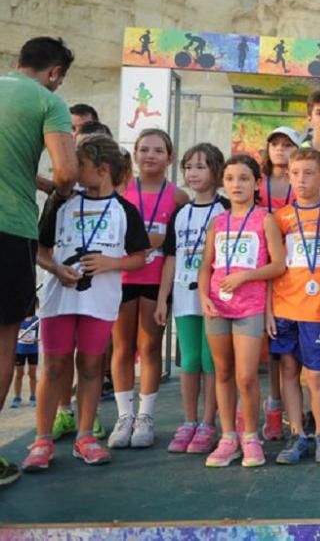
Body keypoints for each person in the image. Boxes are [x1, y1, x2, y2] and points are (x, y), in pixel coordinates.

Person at [22, 135, 149, 472]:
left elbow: (139, 257)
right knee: (55, 365)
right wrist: (55, 268)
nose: (69, 171)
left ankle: (85, 436)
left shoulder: (125, 210)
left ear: (102, 169)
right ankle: (42, 439)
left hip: (100, 302)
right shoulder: (60, 203)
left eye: (78, 165)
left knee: (92, 367)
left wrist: (112, 263)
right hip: (59, 299)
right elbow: (40, 249)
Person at [0, 37, 78, 487]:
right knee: (4, 339)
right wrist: (60, 188)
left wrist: (41, 183)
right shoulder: (48, 101)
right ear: (53, 73)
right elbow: (68, 172)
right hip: (9, 229)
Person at [199, 156, 286, 468]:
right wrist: (202, 297)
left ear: (256, 183)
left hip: (249, 307)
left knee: (246, 375)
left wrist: (246, 276)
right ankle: (228, 437)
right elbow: (205, 266)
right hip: (217, 306)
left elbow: (278, 264)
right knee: (222, 373)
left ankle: (250, 435)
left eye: (244, 178)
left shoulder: (265, 219)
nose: (237, 184)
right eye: (231, 178)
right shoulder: (217, 222)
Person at [110, 129, 188, 450]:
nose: (150, 155)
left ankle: (145, 416)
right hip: (121, 279)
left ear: (170, 157)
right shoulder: (121, 190)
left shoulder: (178, 197)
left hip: (157, 281)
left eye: (158, 150)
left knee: (150, 346)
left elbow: (173, 247)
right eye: (144, 149)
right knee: (122, 348)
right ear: (135, 154)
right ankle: (124, 415)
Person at [155, 143, 229, 454]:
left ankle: (209, 422)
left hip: (216, 296)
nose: (193, 173)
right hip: (185, 294)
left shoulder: (225, 208)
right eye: (188, 167)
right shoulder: (181, 213)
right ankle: (189, 420)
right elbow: (171, 257)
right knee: (189, 359)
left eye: (200, 166)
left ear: (216, 170)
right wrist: (162, 298)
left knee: (212, 360)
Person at [269, 148, 320, 465]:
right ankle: (298, 434)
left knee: (318, 376)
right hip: (285, 307)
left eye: (308, 173)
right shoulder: (279, 218)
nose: (301, 179)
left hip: (319, 309)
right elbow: (272, 267)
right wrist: (269, 309)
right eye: (295, 173)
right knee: (288, 371)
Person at [257, 126, 301, 441]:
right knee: (268, 346)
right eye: (276, 144)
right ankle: (273, 406)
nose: (281, 149)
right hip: (260, 266)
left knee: (289, 349)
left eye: (288, 145)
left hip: (294, 269)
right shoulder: (256, 182)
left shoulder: (300, 184)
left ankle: (299, 414)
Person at [259, 126, 300, 214]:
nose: (279, 149)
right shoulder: (256, 180)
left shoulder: (303, 181)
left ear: (298, 150)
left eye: (287, 145)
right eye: (274, 144)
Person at [12, 314, 40, 408]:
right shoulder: (18, 319)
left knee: (32, 374)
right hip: (20, 351)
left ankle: (33, 397)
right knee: (19, 374)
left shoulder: (37, 320)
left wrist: (35, 339)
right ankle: (17, 398)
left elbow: (41, 335)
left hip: (33, 351)